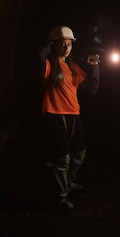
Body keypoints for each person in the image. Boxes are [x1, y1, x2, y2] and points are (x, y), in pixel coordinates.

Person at [39, 25, 100, 212]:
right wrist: (48, 46)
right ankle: (60, 198)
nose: (66, 48)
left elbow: (91, 88)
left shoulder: (73, 68)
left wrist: (95, 67)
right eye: (62, 44)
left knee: (79, 155)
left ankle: (69, 183)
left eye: (69, 44)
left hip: (73, 114)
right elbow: (39, 59)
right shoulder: (49, 66)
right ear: (54, 45)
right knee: (62, 159)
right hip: (54, 115)